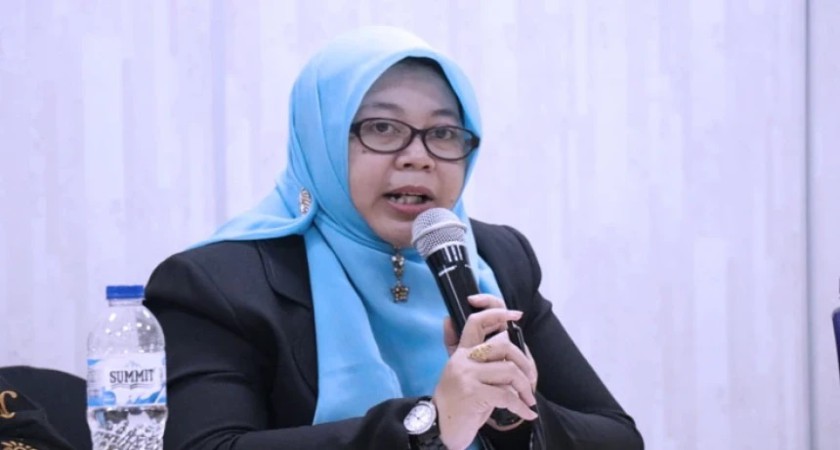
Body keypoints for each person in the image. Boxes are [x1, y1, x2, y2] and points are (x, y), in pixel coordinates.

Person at [144, 25, 644, 450]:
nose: (418, 157)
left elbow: (618, 437)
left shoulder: (495, 260)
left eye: (443, 133)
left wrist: (510, 414)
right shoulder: (217, 285)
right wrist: (431, 423)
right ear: (320, 140)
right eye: (383, 128)